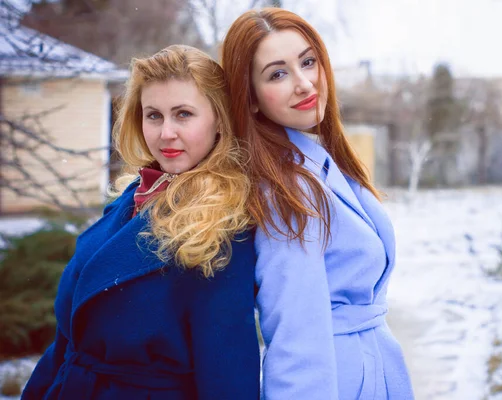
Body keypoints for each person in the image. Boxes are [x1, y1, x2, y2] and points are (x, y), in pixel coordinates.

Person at [22, 45, 260, 400]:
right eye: (154, 115)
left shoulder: (223, 225)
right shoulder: (134, 195)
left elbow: (227, 373)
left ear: (219, 121)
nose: (166, 133)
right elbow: (67, 341)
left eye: (183, 114)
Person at [221, 8, 415, 400]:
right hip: (338, 380)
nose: (305, 83)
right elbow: (295, 332)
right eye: (278, 74)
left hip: (370, 369)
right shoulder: (284, 190)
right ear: (252, 99)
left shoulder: (316, 160)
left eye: (308, 62)